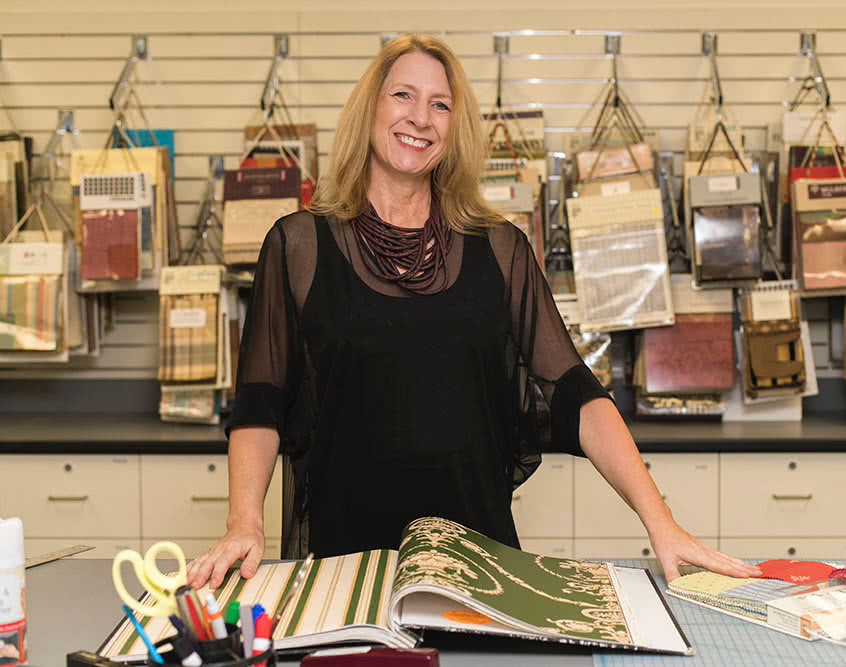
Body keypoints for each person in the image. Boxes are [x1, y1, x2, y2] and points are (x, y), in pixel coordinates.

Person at [187, 34, 760, 590]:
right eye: (403, 95)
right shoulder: (298, 246)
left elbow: (575, 393)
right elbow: (260, 401)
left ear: (454, 130)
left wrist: (661, 521)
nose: (421, 117)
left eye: (440, 104)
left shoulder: (499, 248)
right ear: (369, 109)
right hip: (347, 563)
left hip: (479, 566)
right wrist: (245, 522)